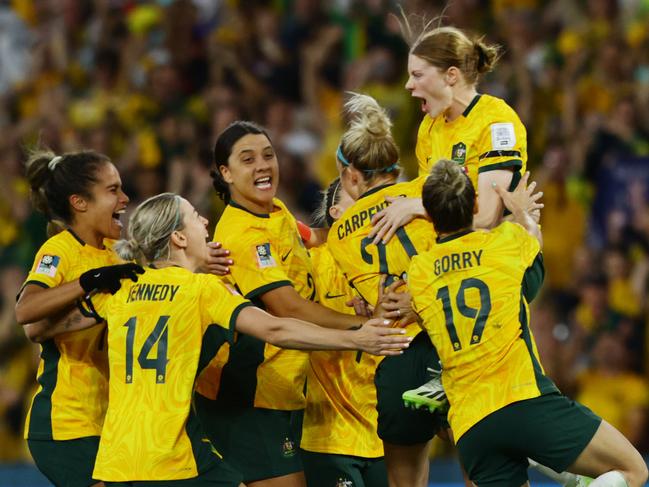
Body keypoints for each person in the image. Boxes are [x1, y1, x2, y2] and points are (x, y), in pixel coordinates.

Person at [69, 192, 410, 486]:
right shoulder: (199, 290)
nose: (204, 222)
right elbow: (276, 329)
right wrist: (358, 339)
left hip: (116, 456)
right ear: (179, 238)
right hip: (168, 456)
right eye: (194, 217)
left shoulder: (121, 289)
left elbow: (44, 325)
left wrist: (86, 283)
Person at [408, 159, 648, 487]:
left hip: (471, 427)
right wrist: (521, 213)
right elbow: (533, 254)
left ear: (431, 216)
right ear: (475, 204)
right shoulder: (506, 242)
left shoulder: (419, 272)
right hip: (523, 400)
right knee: (634, 470)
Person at [195, 121, 393, 487]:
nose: (263, 166)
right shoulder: (242, 233)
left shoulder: (275, 212)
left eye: (268, 155)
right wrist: (359, 328)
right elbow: (288, 307)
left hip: (282, 392)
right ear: (226, 173)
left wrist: (383, 215)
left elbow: (317, 237)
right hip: (247, 397)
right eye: (247, 159)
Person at [326, 92, 444, 487]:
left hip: (401, 356)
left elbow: (376, 298)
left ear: (351, 176)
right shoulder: (430, 193)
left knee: (404, 481)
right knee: (486, 462)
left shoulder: (339, 237)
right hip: (453, 336)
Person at [14, 150, 143, 487]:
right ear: (80, 202)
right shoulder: (60, 249)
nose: (125, 198)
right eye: (113, 190)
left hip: (109, 421)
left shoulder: (116, 255)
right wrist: (87, 283)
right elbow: (26, 311)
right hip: (66, 424)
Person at [369, 24, 528, 246]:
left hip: (498, 263)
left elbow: (486, 219)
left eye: (417, 75)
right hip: (450, 258)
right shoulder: (429, 127)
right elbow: (431, 212)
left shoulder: (496, 122)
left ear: (451, 76)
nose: (408, 85)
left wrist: (417, 207)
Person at [300, 178, 387, 487]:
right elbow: (291, 315)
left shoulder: (396, 265)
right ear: (336, 212)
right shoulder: (312, 264)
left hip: (386, 436)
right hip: (330, 433)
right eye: (360, 199)